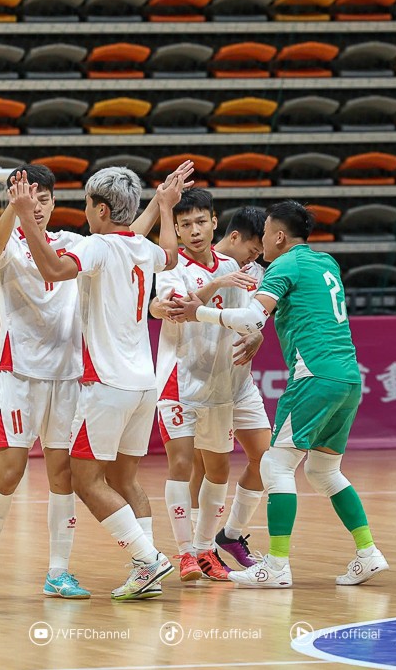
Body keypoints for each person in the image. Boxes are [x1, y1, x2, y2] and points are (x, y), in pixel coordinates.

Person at [0, 163, 180, 601]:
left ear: (54, 200)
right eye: (31, 198)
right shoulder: (7, 243)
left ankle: (58, 572)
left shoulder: (75, 243)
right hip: (20, 375)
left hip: (70, 377)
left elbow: (128, 237)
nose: (39, 206)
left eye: (44, 198)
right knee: (9, 473)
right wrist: (17, 210)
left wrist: (160, 206)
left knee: (64, 476)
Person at [175, 200, 388, 587]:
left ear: (277, 235)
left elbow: (250, 318)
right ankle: (368, 552)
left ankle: (275, 566)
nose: (262, 250)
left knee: (274, 466)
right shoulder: (326, 263)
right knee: (324, 471)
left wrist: (200, 313)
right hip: (347, 377)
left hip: (314, 377)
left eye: (267, 237)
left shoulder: (285, 264)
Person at [149, 197, 269, 582]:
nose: (194, 230)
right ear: (178, 231)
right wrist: (215, 283)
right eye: (186, 225)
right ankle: (185, 553)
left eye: (201, 222)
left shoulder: (238, 269)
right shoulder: (172, 265)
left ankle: (206, 550)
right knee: (182, 465)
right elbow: (173, 307)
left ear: (215, 222)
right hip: (178, 382)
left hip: (220, 386)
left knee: (218, 469)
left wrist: (256, 336)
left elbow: (251, 318)